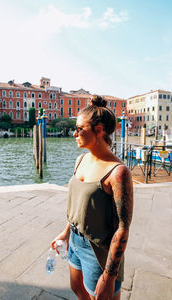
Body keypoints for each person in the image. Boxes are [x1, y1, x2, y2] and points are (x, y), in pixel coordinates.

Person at [51, 95, 133, 300]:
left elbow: (122, 228)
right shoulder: (80, 160)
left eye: (79, 129)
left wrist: (109, 275)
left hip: (98, 251)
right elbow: (79, 207)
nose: (74, 133)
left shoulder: (118, 173)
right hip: (75, 241)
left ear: (98, 130)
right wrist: (65, 233)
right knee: (78, 290)